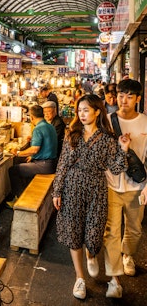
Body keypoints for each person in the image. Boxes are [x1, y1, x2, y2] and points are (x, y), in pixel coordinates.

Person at [52, 94, 129, 300]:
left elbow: (117, 167)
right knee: (74, 232)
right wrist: (57, 191)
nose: (82, 114)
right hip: (72, 187)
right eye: (79, 111)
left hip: (96, 188)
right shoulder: (72, 135)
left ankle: (91, 253)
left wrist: (123, 148)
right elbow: (62, 165)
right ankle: (80, 278)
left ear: (97, 111)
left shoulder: (107, 138)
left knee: (95, 232)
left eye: (86, 110)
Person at [102, 79, 147, 298]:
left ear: (138, 99)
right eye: (121, 95)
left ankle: (128, 255)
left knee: (135, 228)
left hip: (137, 185)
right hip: (111, 184)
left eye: (129, 96)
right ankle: (114, 276)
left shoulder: (145, 123)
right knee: (111, 230)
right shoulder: (108, 121)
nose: (124, 100)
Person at [8, 105, 58, 203]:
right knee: (24, 164)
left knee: (13, 170)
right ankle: (25, 195)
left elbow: (34, 149)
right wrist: (32, 156)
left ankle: (20, 200)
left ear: (31, 117)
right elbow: (46, 145)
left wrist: (17, 152)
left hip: (44, 166)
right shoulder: (49, 125)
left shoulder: (38, 128)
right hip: (52, 163)